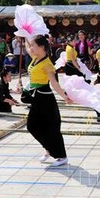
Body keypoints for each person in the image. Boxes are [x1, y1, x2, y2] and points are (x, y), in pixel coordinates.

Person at [24, 35, 71, 166]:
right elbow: (27, 48)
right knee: (33, 126)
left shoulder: (47, 64)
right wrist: (24, 36)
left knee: (51, 128)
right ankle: (48, 149)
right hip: (36, 97)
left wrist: (64, 96)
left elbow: (54, 83)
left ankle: (62, 156)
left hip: (45, 98)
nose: (31, 48)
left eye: (34, 46)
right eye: (32, 45)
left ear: (42, 47)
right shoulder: (35, 58)